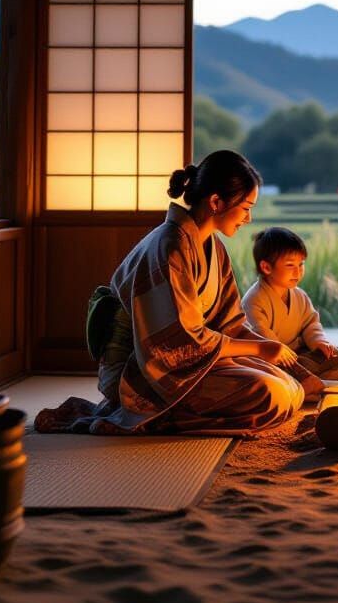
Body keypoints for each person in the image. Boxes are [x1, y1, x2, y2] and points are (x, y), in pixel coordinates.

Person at [35, 150, 305, 435]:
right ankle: (152, 417)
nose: (249, 219)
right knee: (268, 392)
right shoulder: (170, 247)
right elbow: (177, 343)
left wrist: (275, 354)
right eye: (246, 207)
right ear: (216, 202)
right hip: (142, 369)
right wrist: (261, 349)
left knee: (290, 388)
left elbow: (231, 325)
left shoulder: (214, 249)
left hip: (192, 359)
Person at [242, 226, 338, 379]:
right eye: (290, 265)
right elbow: (263, 339)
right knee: (279, 368)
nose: (298, 272)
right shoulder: (254, 300)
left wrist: (319, 342)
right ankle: (307, 375)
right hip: (276, 358)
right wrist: (285, 356)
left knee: (334, 355)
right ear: (266, 267)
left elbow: (310, 324)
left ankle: (307, 374)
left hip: (300, 353)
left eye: (301, 264)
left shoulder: (299, 295)